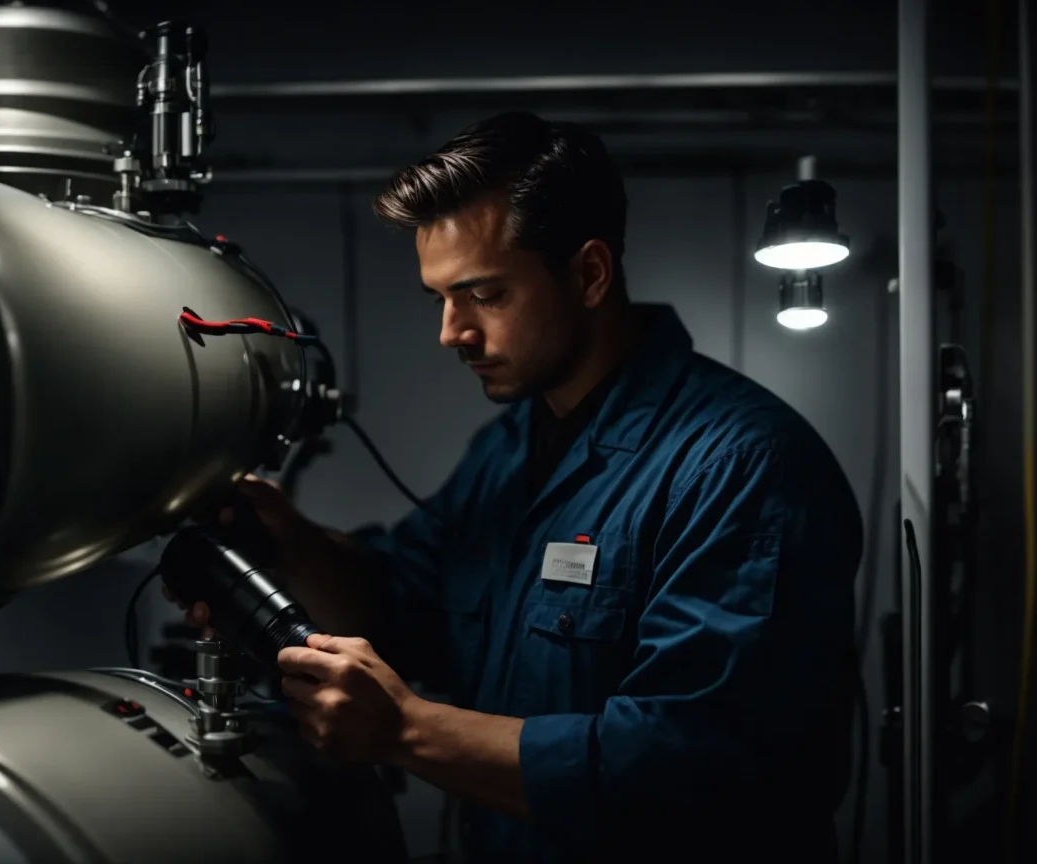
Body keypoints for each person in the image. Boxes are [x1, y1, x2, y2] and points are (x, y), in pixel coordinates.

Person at [175, 111, 864, 862]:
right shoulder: (509, 451)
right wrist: (291, 546)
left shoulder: (740, 467)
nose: (451, 332)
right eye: (440, 298)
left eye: (485, 295)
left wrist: (406, 731)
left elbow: (685, 763)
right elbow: (404, 601)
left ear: (590, 273)